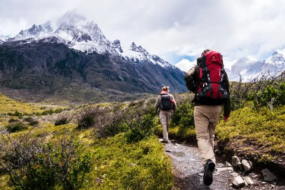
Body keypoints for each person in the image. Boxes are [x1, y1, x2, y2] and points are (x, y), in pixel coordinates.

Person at [184, 49, 230, 186]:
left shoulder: (198, 67)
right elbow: (227, 91)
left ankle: (208, 162)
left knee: (202, 137)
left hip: (201, 106)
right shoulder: (221, 70)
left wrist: (194, 89)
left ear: (203, 57)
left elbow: (187, 76)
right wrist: (227, 112)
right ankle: (211, 163)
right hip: (217, 107)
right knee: (210, 135)